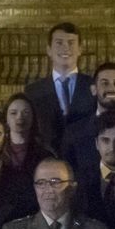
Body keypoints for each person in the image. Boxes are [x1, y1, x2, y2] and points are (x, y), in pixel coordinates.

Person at [24, 21, 94, 150]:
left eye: (71, 43)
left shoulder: (93, 86)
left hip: (85, 163)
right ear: (49, 50)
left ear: (80, 50)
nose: (65, 48)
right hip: (47, 161)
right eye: (59, 42)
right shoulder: (33, 91)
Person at [3, 92, 53, 177]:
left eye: (26, 112)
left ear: (33, 117)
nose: (20, 117)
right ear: (6, 118)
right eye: (13, 113)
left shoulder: (44, 154)